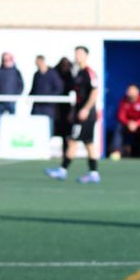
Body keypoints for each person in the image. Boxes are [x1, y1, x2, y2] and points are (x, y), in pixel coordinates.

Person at [45, 46, 102, 183]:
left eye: (80, 53)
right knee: (88, 143)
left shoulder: (89, 72)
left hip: (86, 114)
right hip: (79, 112)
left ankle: (62, 170)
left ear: (86, 55)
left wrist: (86, 109)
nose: (77, 56)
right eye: (76, 53)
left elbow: (94, 92)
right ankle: (93, 173)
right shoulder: (78, 72)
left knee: (73, 140)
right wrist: (74, 111)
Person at [110, 83, 140, 160]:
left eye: (132, 90)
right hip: (127, 124)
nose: (130, 92)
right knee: (119, 126)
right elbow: (121, 116)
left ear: (138, 91)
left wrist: (137, 123)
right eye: (129, 90)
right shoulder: (123, 101)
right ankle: (116, 151)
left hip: (139, 125)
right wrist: (129, 123)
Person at [29, 55, 66, 134]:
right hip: (37, 106)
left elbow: (59, 88)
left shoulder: (52, 73)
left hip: (48, 107)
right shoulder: (36, 74)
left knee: (48, 128)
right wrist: (30, 96)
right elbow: (33, 88)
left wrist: (50, 98)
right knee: (35, 127)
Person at [51, 57, 76, 139]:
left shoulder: (71, 76)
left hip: (67, 108)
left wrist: (72, 111)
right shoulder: (55, 75)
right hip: (56, 106)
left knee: (67, 133)